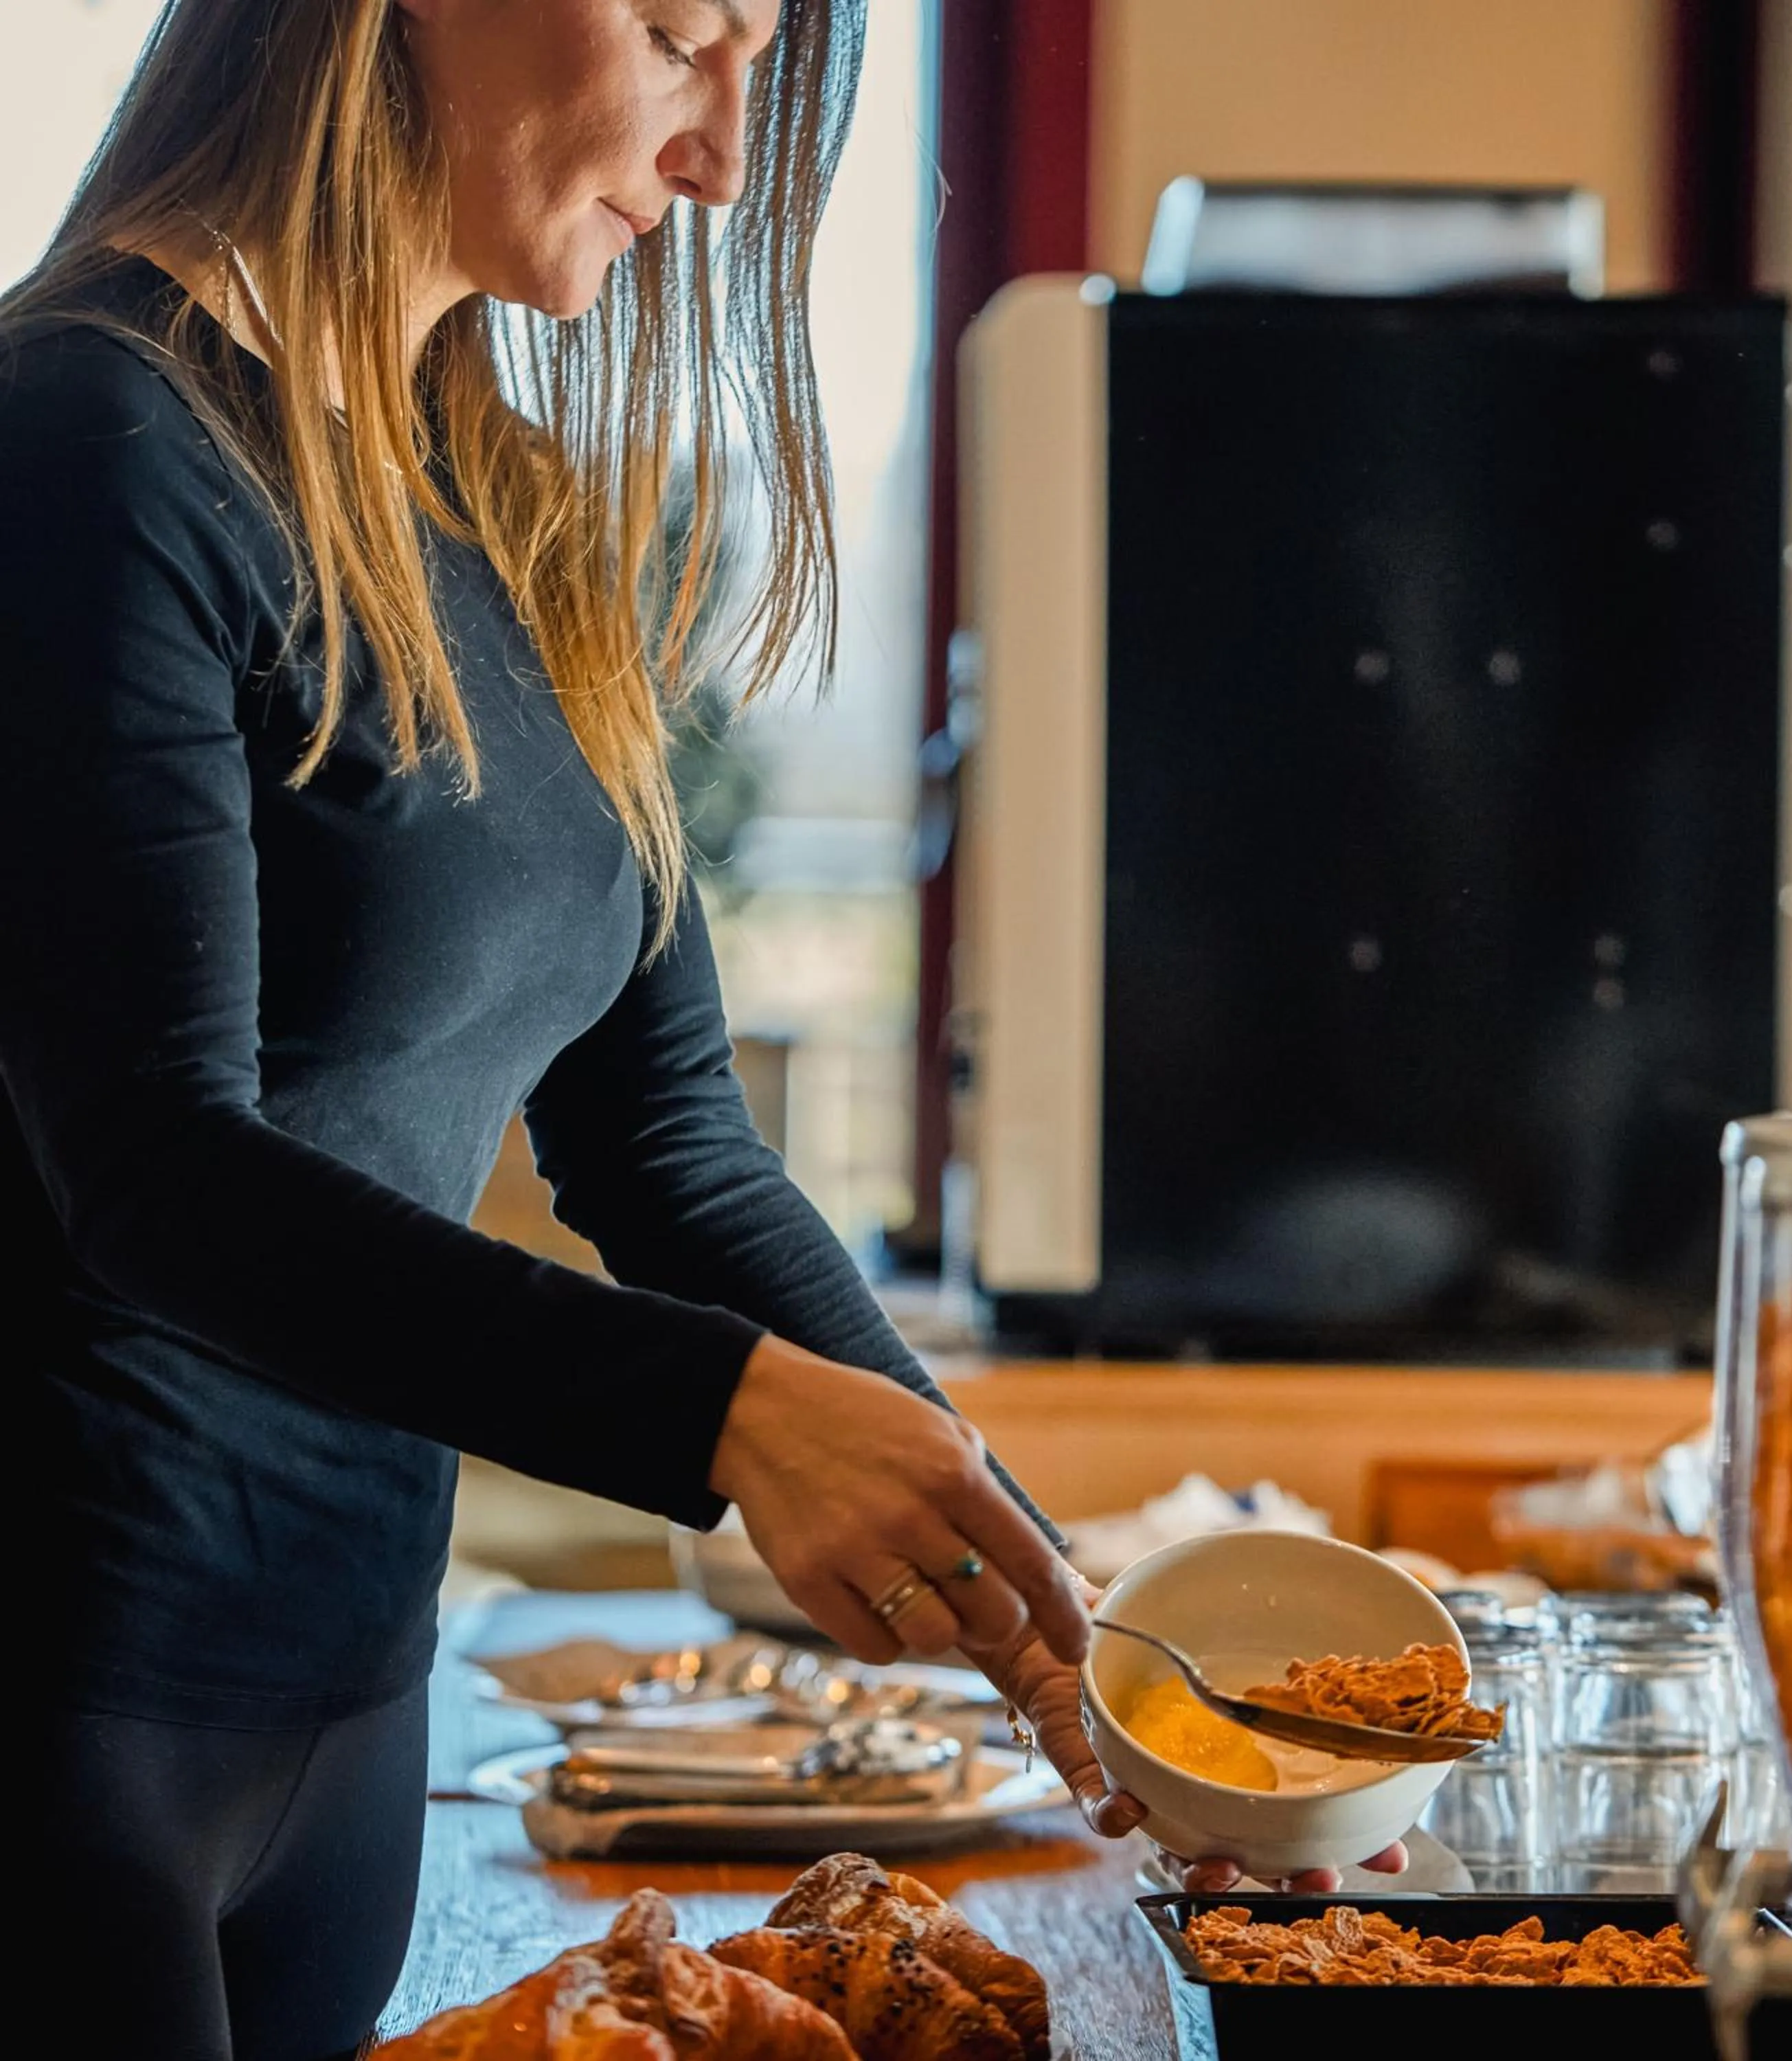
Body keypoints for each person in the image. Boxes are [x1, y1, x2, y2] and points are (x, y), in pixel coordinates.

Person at [1, 4, 1400, 2054]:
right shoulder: (84, 443)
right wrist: (726, 1418)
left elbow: (662, 1137)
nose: (728, 156)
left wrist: (1037, 1601)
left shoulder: (509, 499)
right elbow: (150, 1173)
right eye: (681, 33)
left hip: (353, 1696)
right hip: (67, 1703)